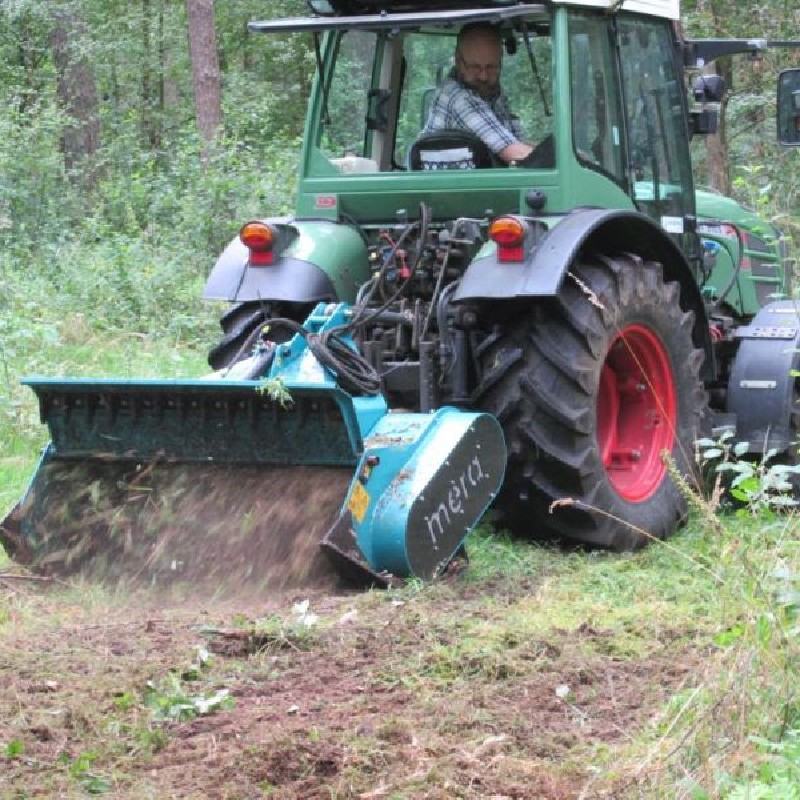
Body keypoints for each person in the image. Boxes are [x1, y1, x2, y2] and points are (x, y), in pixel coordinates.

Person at [422, 22, 536, 165]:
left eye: (491, 67)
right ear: (458, 60)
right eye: (475, 67)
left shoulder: (490, 91)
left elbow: (518, 142)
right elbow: (513, 152)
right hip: (451, 186)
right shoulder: (458, 97)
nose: (483, 76)